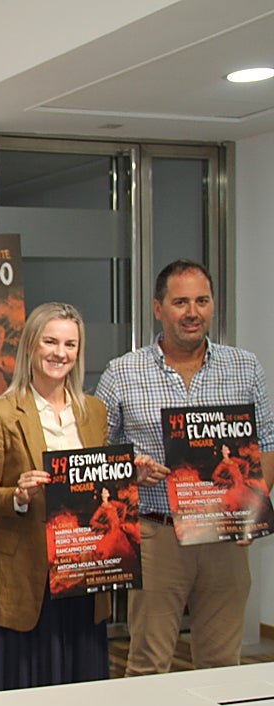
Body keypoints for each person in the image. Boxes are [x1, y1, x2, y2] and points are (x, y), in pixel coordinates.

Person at [96, 259, 274, 675]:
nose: (192, 312)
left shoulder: (245, 367)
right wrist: (131, 468)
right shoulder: (122, 372)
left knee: (222, 666)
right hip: (158, 535)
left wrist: (251, 512)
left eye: (202, 301)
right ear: (158, 308)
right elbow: (96, 453)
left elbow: (267, 443)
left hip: (227, 537)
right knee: (148, 664)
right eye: (181, 302)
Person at [0, 303, 155, 693]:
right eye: (50, 342)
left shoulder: (95, 411)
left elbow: (98, 484)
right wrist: (18, 495)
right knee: (23, 697)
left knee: (83, 696)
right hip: (27, 577)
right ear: (31, 346)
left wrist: (129, 476)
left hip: (85, 572)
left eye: (70, 344)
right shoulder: (0, 412)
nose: (60, 353)